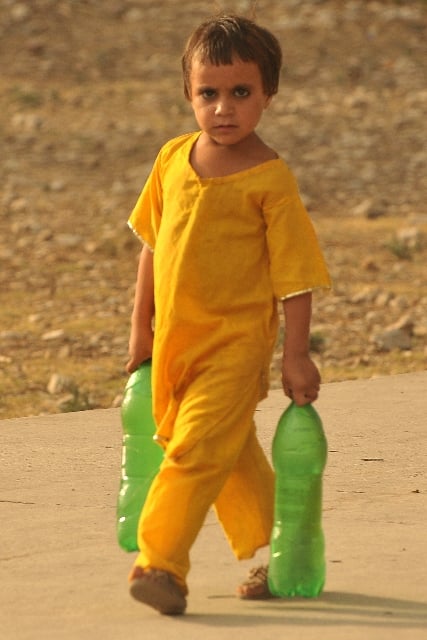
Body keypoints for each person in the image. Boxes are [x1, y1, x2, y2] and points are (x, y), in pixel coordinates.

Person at [125, 13, 331, 615]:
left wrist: (295, 355)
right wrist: (141, 329)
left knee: (193, 450)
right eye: (208, 93)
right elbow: (152, 248)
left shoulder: (271, 181)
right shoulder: (170, 160)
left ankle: (160, 562)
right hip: (176, 344)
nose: (224, 108)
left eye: (241, 92)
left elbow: (295, 278)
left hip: (235, 348)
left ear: (268, 94)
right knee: (224, 449)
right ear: (188, 95)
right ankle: (287, 546)